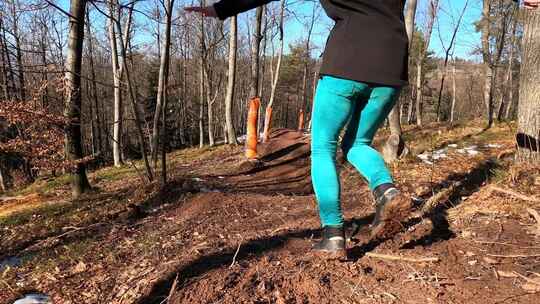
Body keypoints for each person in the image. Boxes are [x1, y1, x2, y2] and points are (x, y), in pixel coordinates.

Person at [185, 0, 537, 260]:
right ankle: (385, 191)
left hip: (345, 63)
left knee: (323, 145)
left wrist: (220, 9)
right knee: (357, 141)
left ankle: (333, 234)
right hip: (390, 69)